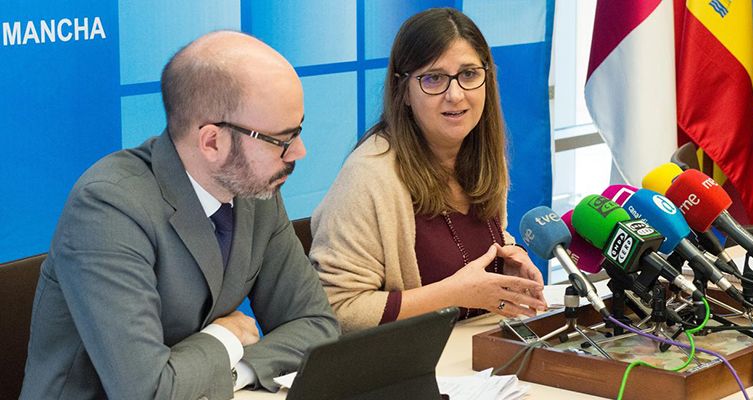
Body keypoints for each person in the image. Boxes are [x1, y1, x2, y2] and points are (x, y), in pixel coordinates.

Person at [20, 31, 339, 400]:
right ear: (212, 142)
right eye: (281, 140)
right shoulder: (107, 208)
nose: (298, 152)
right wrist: (225, 337)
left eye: (297, 132)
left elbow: (316, 327)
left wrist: (236, 369)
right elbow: (148, 391)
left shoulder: (255, 189)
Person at [310, 8, 548, 333]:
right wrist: (452, 295)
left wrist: (507, 262)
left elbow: (467, 248)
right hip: (410, 360)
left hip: (475, 351)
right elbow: (336, 310)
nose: (455, 95)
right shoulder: (368, 176)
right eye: (434, 78)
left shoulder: (479, 154)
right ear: (404, 91)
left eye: (469, 74)